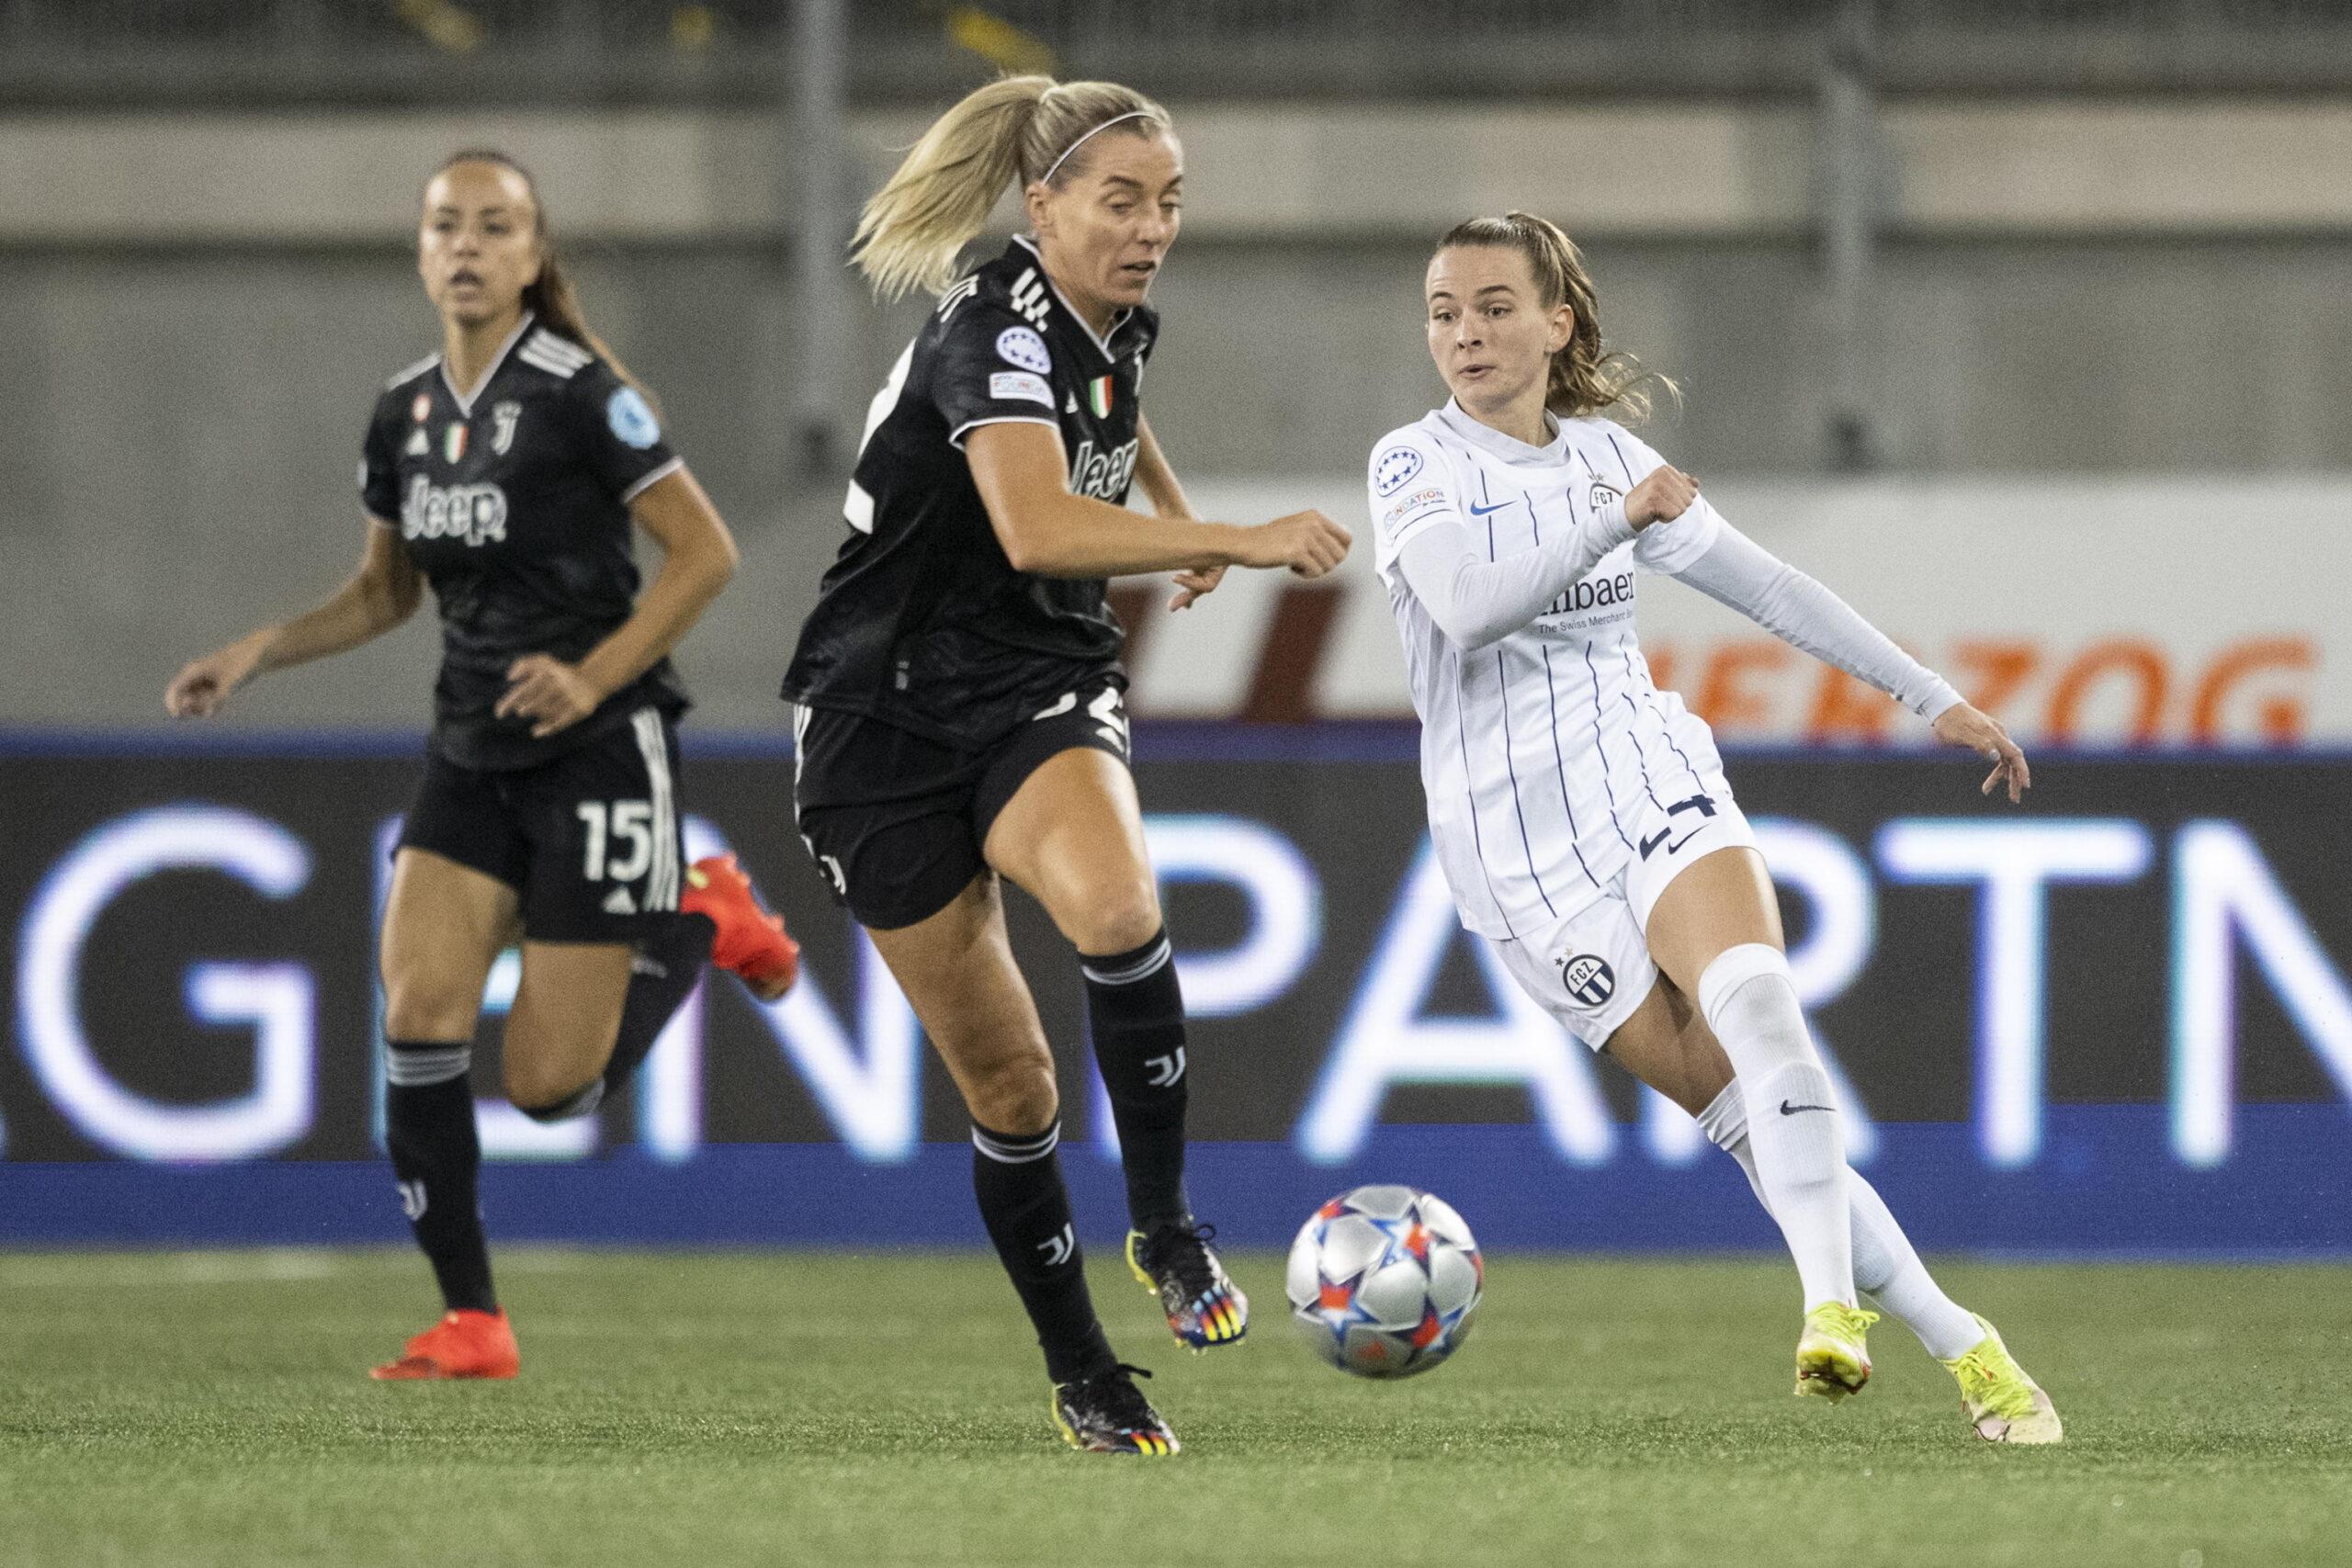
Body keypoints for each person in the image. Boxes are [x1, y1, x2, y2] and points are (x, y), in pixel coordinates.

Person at [1361, 211, 2061, 1443]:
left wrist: (1932, 696)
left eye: (1492, 305)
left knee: (1759, 1003)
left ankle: (1830, 1312)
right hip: (1516, 852)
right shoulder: (1414, 465)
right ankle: (1970, 1346)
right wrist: (1615, 522)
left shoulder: (1603, 457)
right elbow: (1467, 610)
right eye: (1442, 311)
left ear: (1556, 323)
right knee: (1740, 1113)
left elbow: (1772, 587)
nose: (1464, 332)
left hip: (1645, 772)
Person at [780, 77, 1351, 1455]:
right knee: (1014, 1091)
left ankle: (1163, 1228)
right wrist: (1239, 532)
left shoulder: (1108, 317)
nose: (1153, 229)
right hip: (878, 725)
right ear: (1041, 207)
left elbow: (1111, 409)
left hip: (1035, 683)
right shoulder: (990, 328)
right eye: (1122, 201)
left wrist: (1168, 510)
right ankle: (1085, 1371)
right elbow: (1034, 526)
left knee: (1118, 911)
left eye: (1169, 202)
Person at [165, 150, 800, 1382]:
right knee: (416, 1016)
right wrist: (258, 650)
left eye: (493, 226)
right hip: (470, 752)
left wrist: (594, 675)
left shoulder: (583, 394)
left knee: (553, 1092)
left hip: (600, 755)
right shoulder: (402, 411)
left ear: (532, 254)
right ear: (419, 251)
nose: (465, 245)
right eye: (444, 225)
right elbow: (383, 593)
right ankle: (474, 1320)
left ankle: (703, 917)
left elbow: (705, 554)